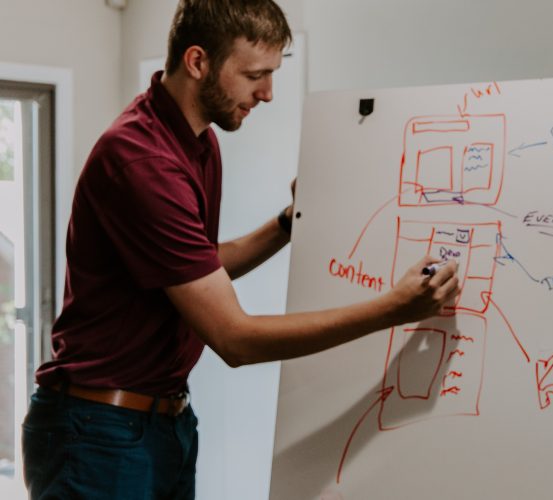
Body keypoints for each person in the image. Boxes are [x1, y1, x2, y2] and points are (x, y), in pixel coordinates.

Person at [21, 1, 459, 498]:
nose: (268, 93)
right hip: (99, 432)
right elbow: (235, 339)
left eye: (273, 74)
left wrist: (286, 225)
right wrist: (394, 309)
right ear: (197, 62)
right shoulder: (142, 160)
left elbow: (197, 269)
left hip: (162, 423)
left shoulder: (198, 142)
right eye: (255, 75)